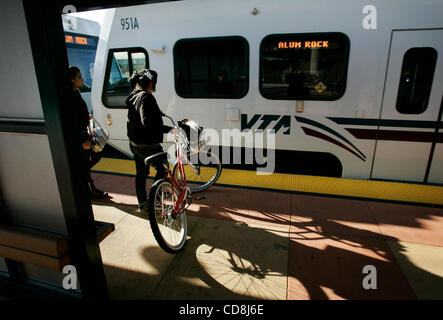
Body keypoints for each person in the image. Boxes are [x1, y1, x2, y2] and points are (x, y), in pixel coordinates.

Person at [126, 69, 171, 212]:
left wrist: (156, 112)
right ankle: (155, 200)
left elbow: (141, 114)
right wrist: (169, 129)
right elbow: (148, 122)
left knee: (141, 174)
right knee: (162, 170)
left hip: (135, 144)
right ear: (151, 83)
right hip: (147, 146)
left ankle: (143, 203)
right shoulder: (146, 97)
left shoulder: (135, 93)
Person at [68, 66, 108, 198]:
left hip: (84, 133)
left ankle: (85, 183)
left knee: (95, 155)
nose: (82, 79)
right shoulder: (71, 96)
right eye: (79, 77)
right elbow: (73, 121)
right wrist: (83, 140)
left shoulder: (76, 92)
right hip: (81, 136)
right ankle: (91, 189)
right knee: (89, 160)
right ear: (72, 80)